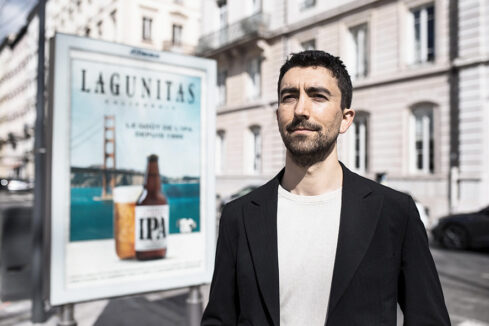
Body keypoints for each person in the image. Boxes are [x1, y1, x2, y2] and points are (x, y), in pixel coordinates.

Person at [202, 50, 450, 326]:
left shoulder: (393, 211)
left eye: (318, 96)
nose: (300, 110)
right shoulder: (239, 216)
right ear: (277, 115)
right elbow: (219, 318)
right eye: (289, 97)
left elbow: (429, 319)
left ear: (346, 119)